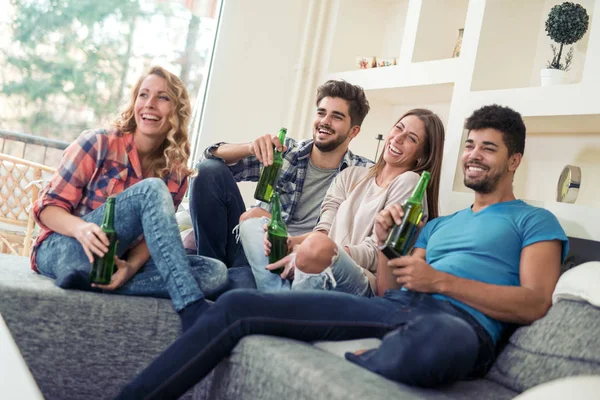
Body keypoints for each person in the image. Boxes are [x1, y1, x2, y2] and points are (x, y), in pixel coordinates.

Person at [115, 104, 568, 399]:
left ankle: (360, 355)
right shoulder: (441, 223)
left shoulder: (534, 220)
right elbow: (391, 287)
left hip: (460, 324)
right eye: (470, 145)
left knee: (436, 342)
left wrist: (441, 282)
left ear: (513, 161)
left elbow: (534, 302)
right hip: (397, 308)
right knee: (235, 306)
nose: (474, 155)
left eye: (488, 149)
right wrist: (392, 247)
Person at [31, 66, 225, 331]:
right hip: (64, 247)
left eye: (163, 98)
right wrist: (82, 229)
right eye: (143, 95)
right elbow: (46, 209)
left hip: (114, 259)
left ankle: (98, 280)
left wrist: (131, 267)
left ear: (177, 111)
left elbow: (150, 238)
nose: (150, 104)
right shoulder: (97, 143)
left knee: (214, 273)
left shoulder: (176, 171)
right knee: (151, 189)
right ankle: (190, 305)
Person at [184, 80, 372, 279]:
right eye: (321, 112)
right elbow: (205, 163)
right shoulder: (286, 152)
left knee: (242, 288)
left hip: (290, 260)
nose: (325, 121)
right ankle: (210, 268)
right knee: (208, 171)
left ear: (354, 131)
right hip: (249, 241)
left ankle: (226, 279)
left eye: (337, 117)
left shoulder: (362, 175)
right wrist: (250, 147)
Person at [253, 108, 445, 296]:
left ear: (422, 155)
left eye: (412, 138)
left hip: (360, 276)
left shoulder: (409, 182)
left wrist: (319, 252)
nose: (398, 138)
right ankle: (278, 294)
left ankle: (275, 296)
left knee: (317, 247)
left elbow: (374, 252)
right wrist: (291, 243)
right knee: (252, 220)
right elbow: (324, 229)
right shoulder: (350, 174)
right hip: (320, 256)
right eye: (398, 128)